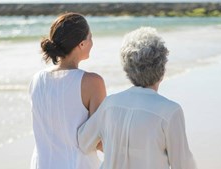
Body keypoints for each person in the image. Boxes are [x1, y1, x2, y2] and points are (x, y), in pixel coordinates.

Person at [78, 27, 196, 169]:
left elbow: (84, 143)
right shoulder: (170, 111)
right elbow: (183, 164)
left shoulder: (110, 104)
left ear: (127, 69)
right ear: (162, 68)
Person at [29, 13, 106, 169]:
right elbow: (98, 141)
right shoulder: (92, 82)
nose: (92, 42)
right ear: (82, 44)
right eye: (90, 37)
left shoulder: (37, 79)